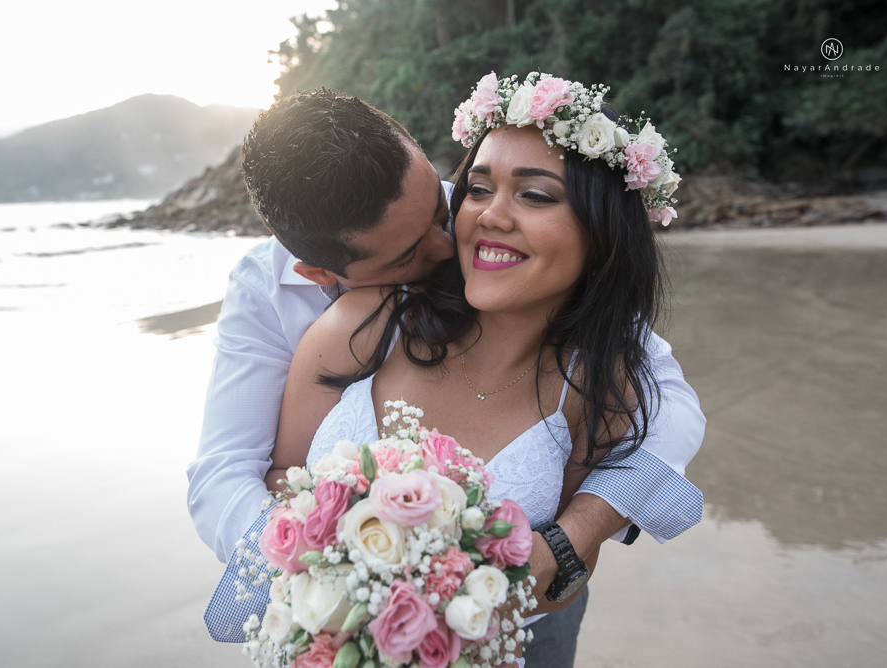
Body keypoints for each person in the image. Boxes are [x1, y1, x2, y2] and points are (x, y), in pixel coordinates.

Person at [190, 82, 705, 666]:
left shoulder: (578, 351)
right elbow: (230, 473)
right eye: (408, 253)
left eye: (445, 203)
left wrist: (567, 541)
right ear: (320, 274)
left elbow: (665, 404)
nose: (454, 238)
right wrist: (343, 581)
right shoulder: (335, 318)